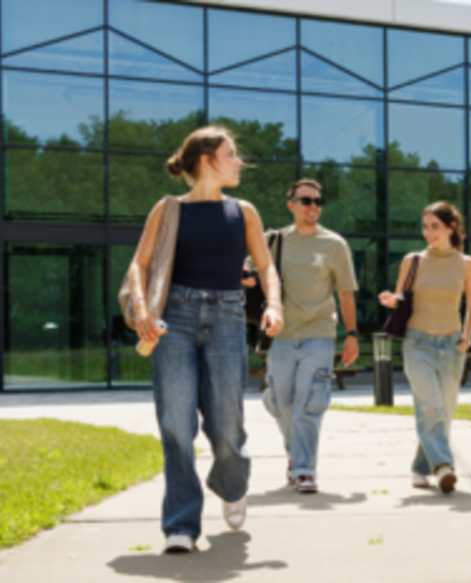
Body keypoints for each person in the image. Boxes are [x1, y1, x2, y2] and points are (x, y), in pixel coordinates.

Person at [122, 125, 284, 554]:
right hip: (175, 317)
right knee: (176, 423)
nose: (239, 161)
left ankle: (231, 484)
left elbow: (266, 267)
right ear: (208, 159)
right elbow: (139, 265)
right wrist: (141, 309)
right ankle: (180, 524)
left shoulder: (244, 211)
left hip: (229, 316)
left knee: (227, 424)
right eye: (232, 154)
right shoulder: (169, 208)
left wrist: (274, 304)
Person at [261, 179, 361, 495]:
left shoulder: (334, 244)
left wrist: (352, 335)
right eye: (306, 201)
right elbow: (255, 275)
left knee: (310, 402)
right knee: (280, 400)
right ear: (290, 204)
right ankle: (296, 453)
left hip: (319, 332)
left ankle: (304, 468)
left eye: (318, 201)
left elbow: (346, 293)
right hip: (281, 334)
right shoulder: (273, 241)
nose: (313, 207)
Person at [378, 202, 471, 495]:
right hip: (417, 342)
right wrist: (391, 301)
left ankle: (421, 467)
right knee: (430, 405)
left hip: (452, 344)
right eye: (425, 226)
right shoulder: (413, 261)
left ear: (451, 227)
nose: (428, 233)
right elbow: (401, 297)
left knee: (443, 411)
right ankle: (444, 466)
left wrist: (467, 336)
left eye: (435, 226)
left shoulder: (467, 264)